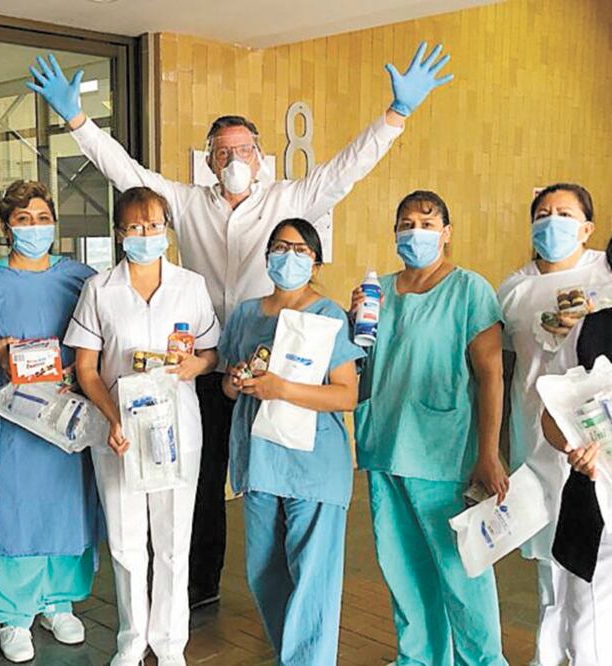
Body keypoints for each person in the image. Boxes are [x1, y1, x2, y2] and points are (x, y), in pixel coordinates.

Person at [28, 41, 454, 607]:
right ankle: (200, 585)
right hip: (201, 363)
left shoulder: (290, 197)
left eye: (244, 149)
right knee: (202, 480)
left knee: (271, 474)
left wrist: (395, 115)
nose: (233, 159)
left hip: (271, 361)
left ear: (260, 155)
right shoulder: (184, 201)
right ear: (208, 158)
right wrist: (78, 120)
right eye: (222, 150)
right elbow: (122, 171)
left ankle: (283, 584)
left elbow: (349, 167)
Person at [352, 191, 508, 665]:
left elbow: (491, 375)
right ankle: (418, 658)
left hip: (442, 452)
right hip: (384, 447)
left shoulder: (469, 290)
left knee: (461, 573)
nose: (414, 230)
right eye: (405, 222)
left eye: (426, 221)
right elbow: (364, 363)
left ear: (446, 232)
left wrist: (487, 453)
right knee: (404, 572)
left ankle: (483, 661)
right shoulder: (381, 294)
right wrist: (351, 319)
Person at [0, 180, 99, 663]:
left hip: (64, 419)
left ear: (55, 222)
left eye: (41, 217)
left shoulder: (81, 278)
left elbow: (101, 337)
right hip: (5, 424)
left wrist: (83, 372)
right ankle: (12, 614)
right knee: (9, 510)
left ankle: (58, 601)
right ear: (7, 227)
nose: (34, 227)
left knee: (65, 507)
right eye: (23, 219)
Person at [67, 186, 219, 666]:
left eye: (154, 225)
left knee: (174, 538)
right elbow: (86, 368)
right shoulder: (99, 290)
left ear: (167, 231)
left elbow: (210, 352)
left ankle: (170, 643)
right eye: (134, 227)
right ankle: (131, 639)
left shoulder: (190, 286)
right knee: (128, 541)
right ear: (119, 234)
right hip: (119, 431)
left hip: (176, 428)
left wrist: (195, 366)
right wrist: (112, 418)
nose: (145, 234)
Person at [217, 218, 362, 664]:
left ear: (315, 260)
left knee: (312, 575)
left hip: (314, 464)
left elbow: (346, 394)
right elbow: (226, 382)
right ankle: (291, 655)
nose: (288, 257)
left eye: (300, 250)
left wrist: (282, 389)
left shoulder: (328, 316)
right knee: (264, 571)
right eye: (280, 247)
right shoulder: (246, 313)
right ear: (267, 258)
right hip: (260, 461)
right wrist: (240, 381)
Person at [497, 183, 609, 666]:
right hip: (538, 442)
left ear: (586, 227)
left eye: (565, 213)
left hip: (598, 443)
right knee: (551, 567)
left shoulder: (605, 272)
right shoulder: (512, 289)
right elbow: (499, 369)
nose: (552, 221)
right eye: (543, 213)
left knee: (597, 571)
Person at [540, 249, 612, 665]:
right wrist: (571, 446)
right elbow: (551, 418)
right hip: (596, 507)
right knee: (589, 637)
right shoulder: (591, 330)